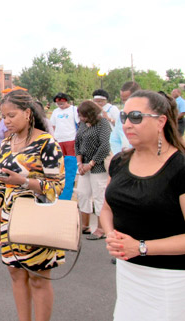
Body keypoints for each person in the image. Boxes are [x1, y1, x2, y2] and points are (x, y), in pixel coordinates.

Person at [101, 90, 185, 320]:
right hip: (128, 271)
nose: (127, 124)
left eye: (136, 116)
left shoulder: (180, 167)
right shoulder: (120, 161)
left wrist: (141, 247)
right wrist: (111, 236)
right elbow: (107, 208)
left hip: (170, 279)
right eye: (124, 117)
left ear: (161, 121)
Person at [0, 89, 65, 321]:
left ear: (28, 113)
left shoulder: (47, 143)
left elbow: (57, 187)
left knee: (38, 278)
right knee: (15, 274)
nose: (6, 121)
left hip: (37, 218)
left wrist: (23, 181)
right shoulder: (6, 144)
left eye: (11, 115)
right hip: (9, 220)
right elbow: (3, 187)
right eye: (4, 116)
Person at [75, 100, 111, 240]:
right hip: (83, 164)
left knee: (99, 195)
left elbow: (104, 146)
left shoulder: (103, 124)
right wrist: (79, 163)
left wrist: (91, 163)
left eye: (84, 116)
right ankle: (85, 225)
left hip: (98, 165)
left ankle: (101, 228)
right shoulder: (82, 125)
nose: (82, 118)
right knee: (83, 194)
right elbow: (77, 143)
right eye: (80, 116)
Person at [50, 92, 78, 201]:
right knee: (60, 166)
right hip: (59, 140)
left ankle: (68, 191)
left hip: (71, 138)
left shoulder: (73, 110)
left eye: (62, 103)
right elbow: (53, 125)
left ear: (66, 101)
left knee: (70, 165)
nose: (60, 106)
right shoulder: (56, 112)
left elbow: (78, 123)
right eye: (58, 104)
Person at [110, 81, 141, 154]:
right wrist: (120, 155)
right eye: (123, 100)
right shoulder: (121, 114)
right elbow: (115, 139)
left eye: (127, 99)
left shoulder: (146, 114)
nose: (125, 103)